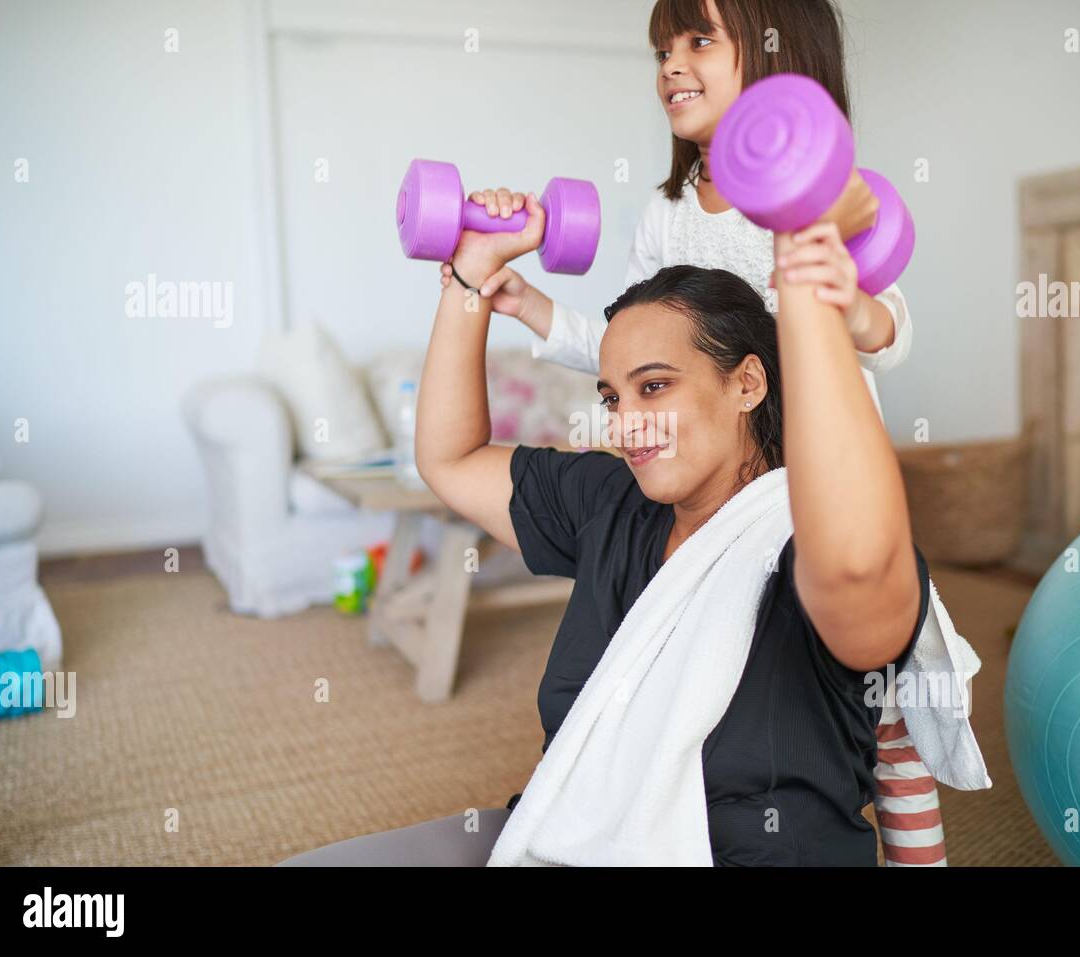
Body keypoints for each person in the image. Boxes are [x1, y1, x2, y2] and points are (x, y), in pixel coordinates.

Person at [280, 169, 928, 866]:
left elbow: (860, 558)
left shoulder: (812, 543)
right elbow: (452, 458)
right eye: (614, 397)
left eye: (654, 387)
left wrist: (811, 295)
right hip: (564, 840)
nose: (626, 424)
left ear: (747, 381)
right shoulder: (613, 501)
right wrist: (471, 277)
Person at [443, 0, 945, 865]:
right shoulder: (667, 210)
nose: (672, 64)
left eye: (700, 40)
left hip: (811, 490)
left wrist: (838, 300)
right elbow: (629, 341)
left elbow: (892, 327)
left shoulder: (819, 196)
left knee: (892, 700)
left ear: (783, 56)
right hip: (711, 483)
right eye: (662, 49)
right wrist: (514, 300)